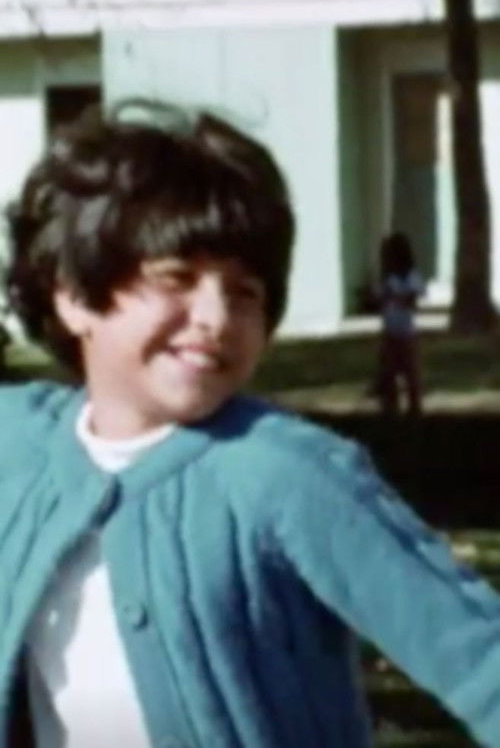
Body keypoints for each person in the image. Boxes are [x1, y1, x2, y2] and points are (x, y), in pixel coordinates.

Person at [2, 99, 500, 748]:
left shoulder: (287, 475)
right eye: (177, 279)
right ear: (73, 297)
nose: (215, 317)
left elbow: (477, 656)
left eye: (244, 293)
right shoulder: (20, 443)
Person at [377, 232, 425, 415]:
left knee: (411, 373)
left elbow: (412, 299)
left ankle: (414, 409)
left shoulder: (411, 275)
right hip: (389, 330)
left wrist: (395, 296)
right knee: (388, 373)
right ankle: (389, 408)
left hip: (406, 331)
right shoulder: (387, 277)